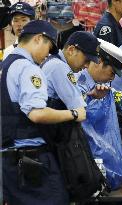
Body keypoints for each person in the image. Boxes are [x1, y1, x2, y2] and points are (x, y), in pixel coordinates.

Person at [0, 20, 86, 205]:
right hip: (31, 159)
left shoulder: (5, 64)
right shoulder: (28, 68)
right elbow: (37, 113)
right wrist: (73, 114)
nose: (48, 54)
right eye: (48, 47)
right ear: (39, 39)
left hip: (8, 159)